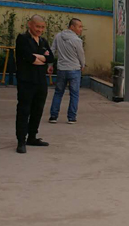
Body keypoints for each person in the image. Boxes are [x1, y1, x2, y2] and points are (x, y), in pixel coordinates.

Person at [15, 15, 54, 154]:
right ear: (30, 24)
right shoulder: (23, 38)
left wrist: (39, 57)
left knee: (38, 110)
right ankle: (21, 140)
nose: (40, 30)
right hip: (26, 81)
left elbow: (50, 57)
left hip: (40, 81)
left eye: (42, 27)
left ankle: (32, 137)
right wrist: (40, 58)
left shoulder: (43, 41)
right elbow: (28, 57)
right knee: (24, 110)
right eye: (37, 26)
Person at [49, 18, 86, 124]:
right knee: (74, 94)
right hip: (74, 69)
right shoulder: (77, 40)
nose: (81, 29)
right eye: (79, 26)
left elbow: (52, 50)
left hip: (61, 69)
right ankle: (71, 117)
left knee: (58, 93)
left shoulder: (58, 36)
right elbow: (81, 54)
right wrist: (83, 65)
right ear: (72, 27)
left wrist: (50, 64)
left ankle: (53, 116)